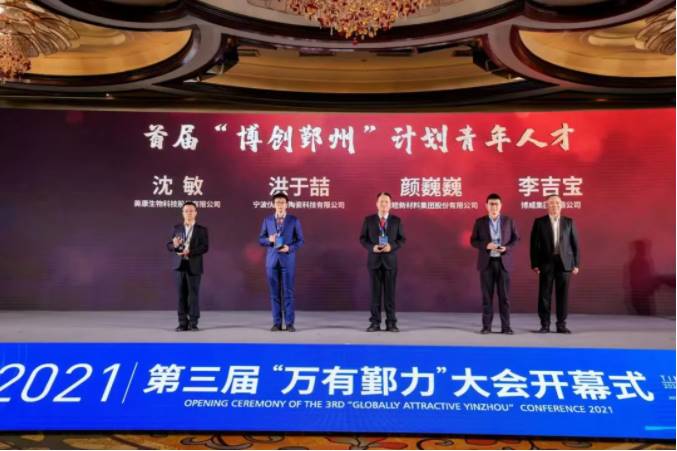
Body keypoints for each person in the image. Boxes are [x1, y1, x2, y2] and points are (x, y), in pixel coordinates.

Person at [470, 193, 520, 334]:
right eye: (491, 204)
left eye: (496, 204)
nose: (494, 207)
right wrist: (486, 245)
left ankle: (506, 327)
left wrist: (507, 248)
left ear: (501, 205)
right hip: (487, 263)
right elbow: (473, 241)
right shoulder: (480, 222)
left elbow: (516, 239)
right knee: (487, 297)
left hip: (504, 263)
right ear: (486, 206)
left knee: (505, 298)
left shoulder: (509, 221)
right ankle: (486, 327)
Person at [530, 195, 580, 333]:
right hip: (546, 263)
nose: (555, 205)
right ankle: (545, 325)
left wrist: (576, 264)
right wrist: (534, 264)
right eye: (551, 203)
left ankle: (561, 324)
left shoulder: (569, 222)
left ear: (561, 205)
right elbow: (534, 245)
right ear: (547, 205)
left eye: (557, 203)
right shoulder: (539, 222)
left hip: (565, 263)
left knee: (562, 295)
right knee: (544, 295)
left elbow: (575, 244)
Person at [359, 192, 406, 332]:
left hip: (390, 262)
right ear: (376, 204)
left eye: (386, 202)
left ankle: (391, 323)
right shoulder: (368, 220)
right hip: (374, 261)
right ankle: (375, 322)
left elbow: (402, 239)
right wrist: (372, 247)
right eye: (381, 201)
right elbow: (363, 239)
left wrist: (391, 246)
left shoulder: (397, 220)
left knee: (390, 294)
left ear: (390, 204)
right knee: (375, 294)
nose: (384, 204)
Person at [258, 192, 304, 332]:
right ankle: (277, 323)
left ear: (286, 204)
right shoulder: (267, 220)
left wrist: (289, 248)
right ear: (273, 204)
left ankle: (289, 323)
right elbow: (261, 239)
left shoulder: (293, 220)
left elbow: (300, 241)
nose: (280, 205)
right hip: (272, 261)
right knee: (274, 294)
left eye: (282, 202)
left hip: (287, 260)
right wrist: (269, 240)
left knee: (288, 293)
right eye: (277, 202)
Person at [167, 201, 209, 331]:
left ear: (196, 213)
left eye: (191, 211)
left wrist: (190, 252)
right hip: (179, 265)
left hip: (194, 266)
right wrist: (175, 246)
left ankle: (193, 323)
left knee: (193, 296)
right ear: (182, 213)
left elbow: (205, 247)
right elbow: (168, 245)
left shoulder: (201, 230)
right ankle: (182, 323)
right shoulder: (176, 228)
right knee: (181, 295)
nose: (188, 213)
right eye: (186, 211)